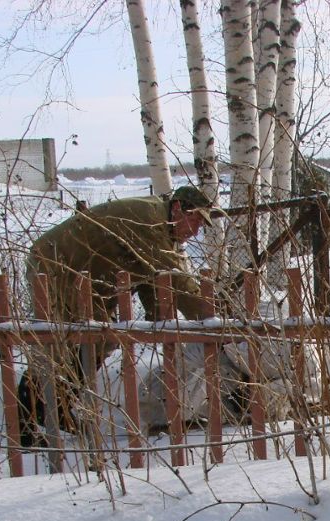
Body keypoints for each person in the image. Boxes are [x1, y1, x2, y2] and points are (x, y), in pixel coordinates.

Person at [17, 185, 218, 447]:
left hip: (91, 278)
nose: (195, 231)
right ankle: (26, 422)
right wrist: (213, 317)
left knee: (102, 339)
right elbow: (173, 278)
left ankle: (60, 405)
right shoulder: (148, 220)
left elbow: (151, 279)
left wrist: (161, 317)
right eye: (193, 221)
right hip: (58, 268)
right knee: (59, 344)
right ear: (178, 208)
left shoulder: (162, 228)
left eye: (200, 226)